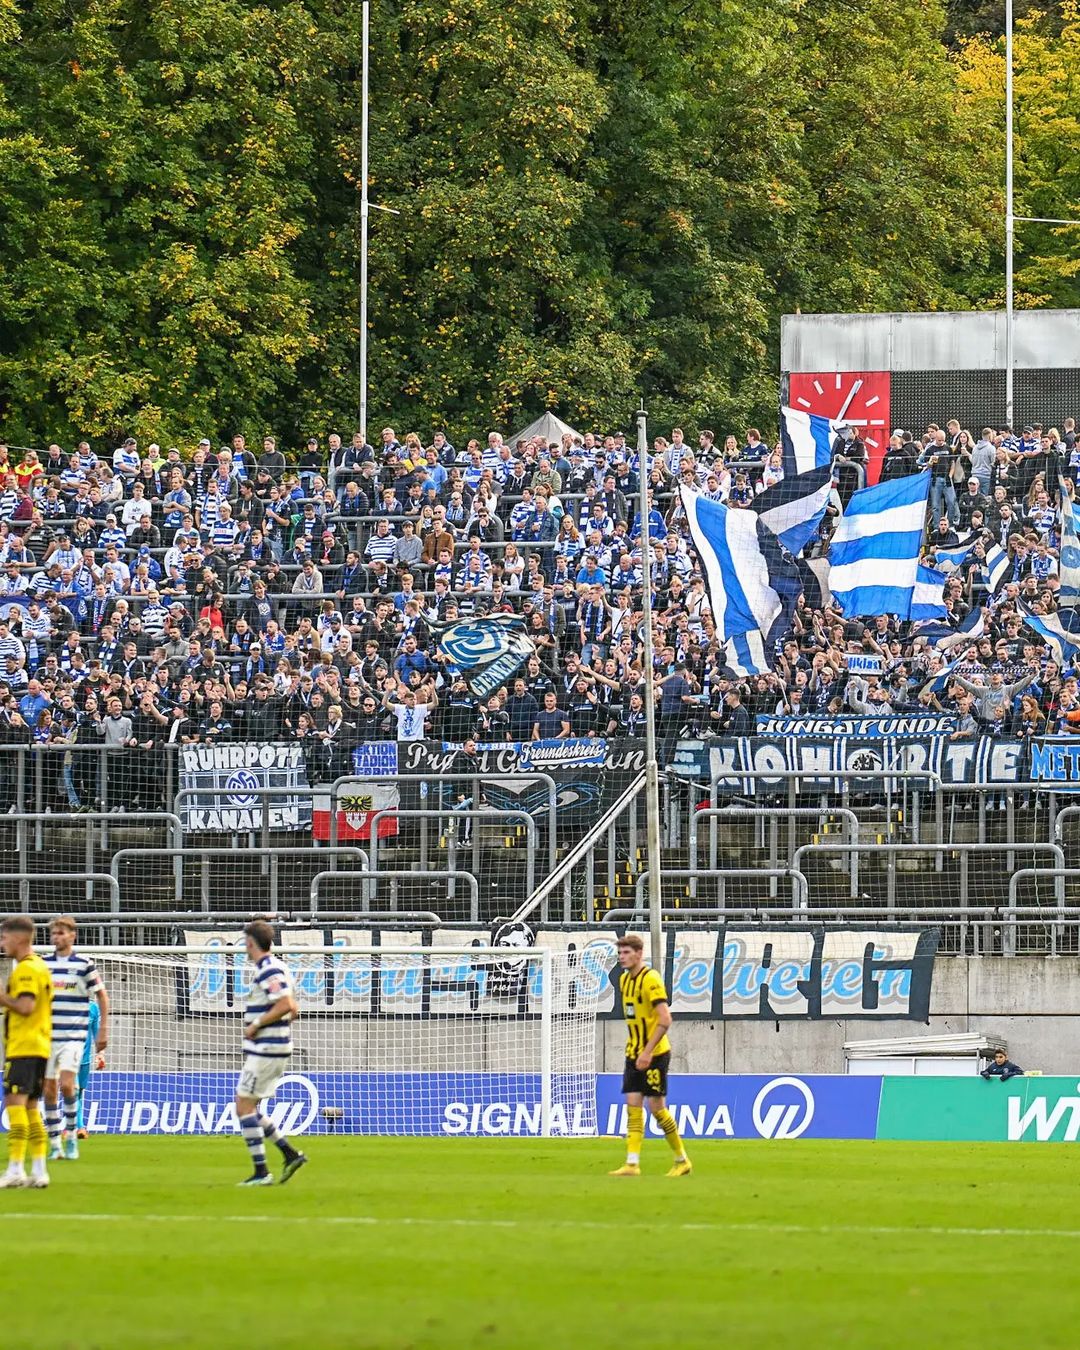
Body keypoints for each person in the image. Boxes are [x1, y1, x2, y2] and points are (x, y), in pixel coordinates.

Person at [608, 933, 691, 1178]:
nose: (622, 957)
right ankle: (632, 1164)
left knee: (656, 1108)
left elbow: (665, 1019)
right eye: (620, 953)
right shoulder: (625, 981)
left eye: (626, 953)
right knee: (633, 1105)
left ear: (639, 954)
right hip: (633, 1052)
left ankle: (681, 1159)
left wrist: (646, 1052)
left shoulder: (650, 979)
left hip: (654, 1054)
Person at [234, 920, 308, 1187]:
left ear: (251, 943)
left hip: (267, 1048)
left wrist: (256, 1024)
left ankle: (261, 1171)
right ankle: (289, 1154)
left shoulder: (268, 969)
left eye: (245, 942)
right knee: (249, 1106)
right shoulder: (279, 967)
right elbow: (293, 1008)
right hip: (272, 1048)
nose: (244, 947)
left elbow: (286, 1004)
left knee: (243, 1106)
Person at [43, 915, 109, 1161]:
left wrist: (103, 1031)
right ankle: (53, 1141)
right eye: (54, 933)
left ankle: (70, 1135)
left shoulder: (84, 964)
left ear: (73, 935)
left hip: (74, 1037)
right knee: (49, 1090)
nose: (56, 937)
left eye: (61, 933)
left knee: (68, 1085)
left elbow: (102, 996)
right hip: (48, 1035)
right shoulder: (44, 965)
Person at [0, 914, 53, 1188]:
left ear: (19, 938)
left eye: (4, 937)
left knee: (15, 1106)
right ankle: (40, 1170)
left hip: (24, 1047)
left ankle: (16, 1168)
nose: (2, 943)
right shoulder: (40, 966)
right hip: (40, 1047)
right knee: (32, 1107)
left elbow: (25, 1007)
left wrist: (2, 997)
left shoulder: (25, 970)